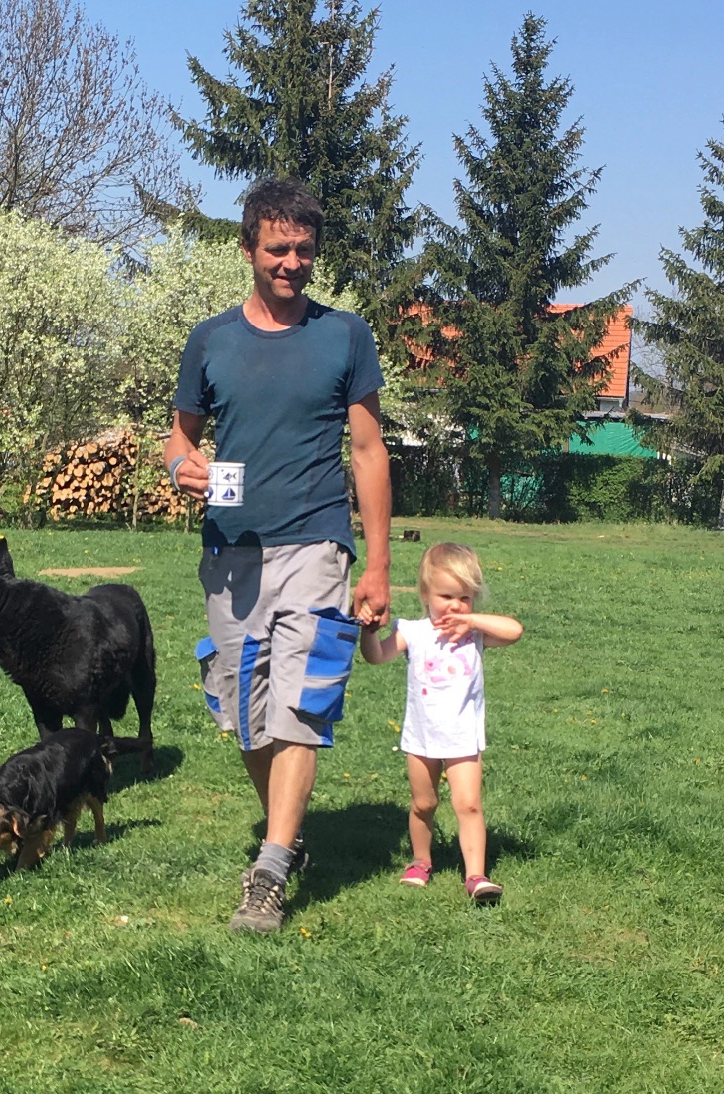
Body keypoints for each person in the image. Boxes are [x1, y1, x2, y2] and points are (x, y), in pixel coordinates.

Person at [164, 176, 391, 933]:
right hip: (231, 552)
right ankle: (287, 836)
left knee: (301, 705)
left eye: (303, 249)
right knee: (244, 716)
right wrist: (181, 467)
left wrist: (378, 565)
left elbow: (368, 452)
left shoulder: (345, 336)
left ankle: (266, 876)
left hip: (317, 542)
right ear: (248, 249)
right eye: (277, 249)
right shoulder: (211, 341)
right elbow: (180, 437)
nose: (292, 263)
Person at [359, 542, 523, 902]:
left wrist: (473, 621)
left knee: (469, 805)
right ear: (425, 594)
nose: (456, 606)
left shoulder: (474, 634)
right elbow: (376, 657)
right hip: (421, 737)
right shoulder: (414, 632)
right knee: (424, 804)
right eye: (446, 596)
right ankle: (421, 861)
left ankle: (476, 876)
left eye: (465, 598)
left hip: (463, 737)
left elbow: (514, 631)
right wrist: (368, 632)